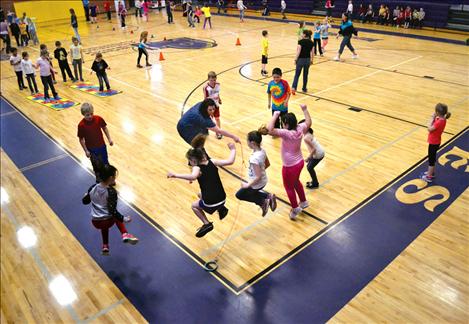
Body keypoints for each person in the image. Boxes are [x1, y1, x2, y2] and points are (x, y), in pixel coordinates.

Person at [167, 137, 236, 237]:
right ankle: (221, 208)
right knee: (200, 194)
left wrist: (175, 175)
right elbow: (230, 161)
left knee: (194, 206)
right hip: (223, 198)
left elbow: (193, 176)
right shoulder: (212, 161)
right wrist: (233, 149)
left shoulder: (197, 167)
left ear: (194, 160)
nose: (189, 163)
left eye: (189, 161)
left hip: (211, 203)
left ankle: (206, 224)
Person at [266, 104, 311, 220]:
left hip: (290, 167)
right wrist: (305, 110)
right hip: (299, 162)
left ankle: (295, 208)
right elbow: (309, 122)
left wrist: (275, 115)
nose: (282, 125)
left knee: (289, 187)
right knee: (296, 182)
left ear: (286, 124)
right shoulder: (300, 128)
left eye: (283, 123)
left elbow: (269, 129)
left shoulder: (286, 133)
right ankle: (304, 202)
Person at [84, 164, 139, 255]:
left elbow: (85, 201)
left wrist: (86, 195)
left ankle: (105, 246)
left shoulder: (92, 187)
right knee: (111, 215)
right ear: (110, 178)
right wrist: (125, 219)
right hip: (108, 221)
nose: (115, 178)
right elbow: (113, 211)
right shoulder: (111, 192)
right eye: (114, 176)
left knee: (104, 224)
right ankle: (125, 233)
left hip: (95, 222)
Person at [236, 128, 277, 216]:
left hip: (256, 183)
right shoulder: (262, 151)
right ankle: (268, 197)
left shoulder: (254, 158)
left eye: (247, 140)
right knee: (251, 193)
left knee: (240, 195)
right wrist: (260, 170)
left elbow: (257, 177)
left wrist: (248, 185)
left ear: (252, 143)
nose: (246, 142)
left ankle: (263, 202)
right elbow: (267, 164)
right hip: (263, 180)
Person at [77, 103, 114, 182]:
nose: (90, 116)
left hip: (102, 146)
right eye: (87, 115)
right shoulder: (81, 125)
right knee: (96, 165)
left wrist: (109, 139)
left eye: (91, 114)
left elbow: (105, 128)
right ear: (83, 114)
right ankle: (99, 178)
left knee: (105, 163)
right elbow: (81, 139)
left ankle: (109, 179)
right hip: (91, 149)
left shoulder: (98, 119)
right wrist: (86, 150)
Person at [421, 104, 451, 183]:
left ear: (437, 112)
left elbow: (429, 129)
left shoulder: (438, 122)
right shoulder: (443, 119)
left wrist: (431, 118)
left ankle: (429, 177)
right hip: (436, 141)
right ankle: (431, 172)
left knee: (431, 160)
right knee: (432, 158)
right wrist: (435, 118)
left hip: (433, 143)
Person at [301, 122, 325, 188]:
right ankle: (314, 181)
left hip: (318, 154)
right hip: (320, 151)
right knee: (309, 166)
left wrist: (308, 158)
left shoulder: (306, 138)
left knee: (309, 168)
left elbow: (313, 149)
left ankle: (315, 183)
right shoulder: (308, 133)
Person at [291, 29, 313, 94]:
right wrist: (312, 60)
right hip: (307, 60)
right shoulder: (311, 42)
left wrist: (295, 59)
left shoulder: (300, 41)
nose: (302, 35)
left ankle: (294, 88)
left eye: (302, 34)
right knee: (305, 75)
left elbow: (298, 51)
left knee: (297, 75)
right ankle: (304, 88)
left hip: (300, 60)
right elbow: (312, 52)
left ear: (305, 35)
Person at [203, 71, 223, 139]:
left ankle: (218, 132)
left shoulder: (218, 84)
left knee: (217, 118)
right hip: (209, 106)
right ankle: (205, 130)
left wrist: (219, 99)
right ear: (208, 79)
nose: (213, 81)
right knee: (209, 119)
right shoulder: (206, 87)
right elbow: (205, 98)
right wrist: (213, 97)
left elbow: (217, 93)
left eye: (214, 80)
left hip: (216, 105)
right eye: (211, 80)